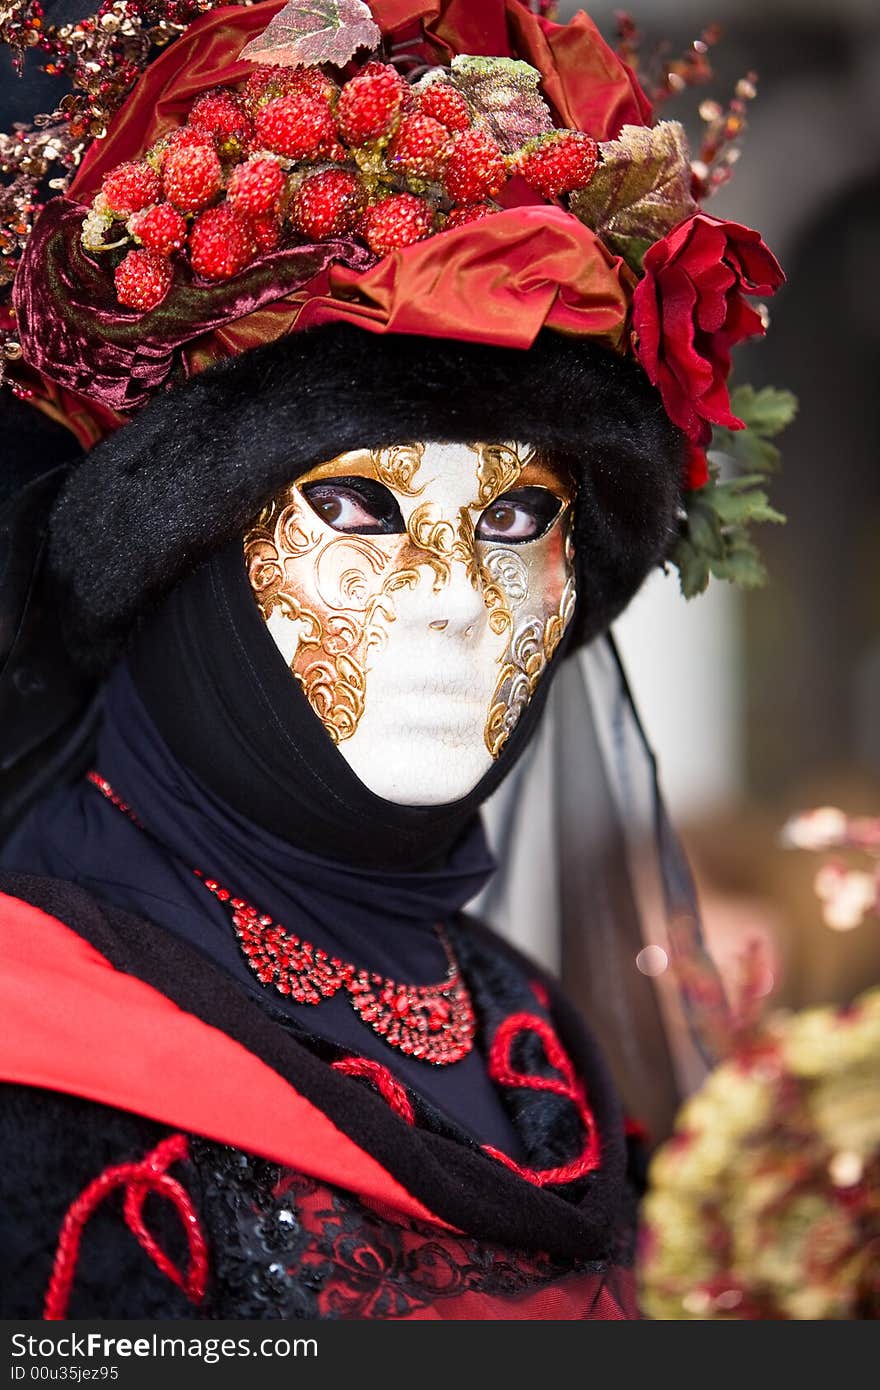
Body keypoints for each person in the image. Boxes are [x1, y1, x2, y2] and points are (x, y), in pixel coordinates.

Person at [0, 0, 783, 1320]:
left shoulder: (523, 1022)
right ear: (183, 555)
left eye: (519, 517)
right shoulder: (36, 1042)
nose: (453, 604)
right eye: (359, 507)